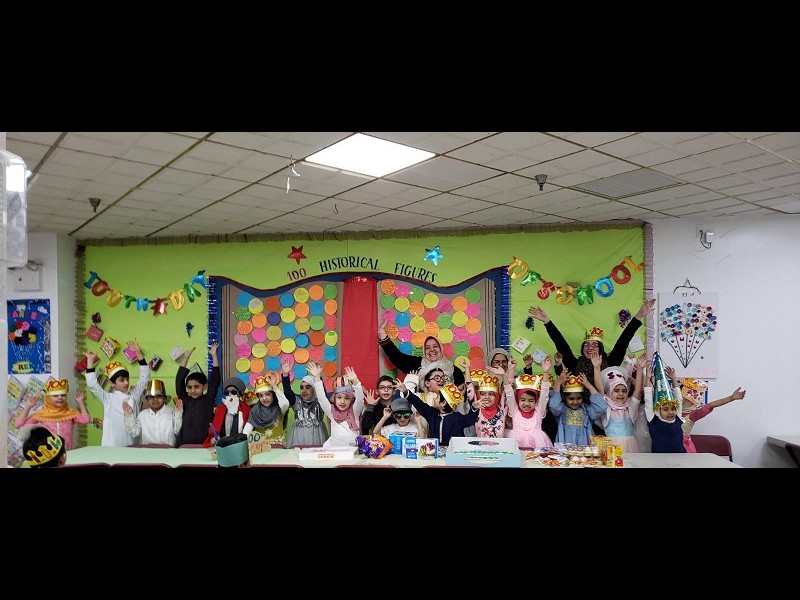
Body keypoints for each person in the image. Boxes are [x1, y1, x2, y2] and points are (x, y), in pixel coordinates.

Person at [527, 298, 657, 382]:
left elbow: (624, 340)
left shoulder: (611, 362)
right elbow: (560, 343)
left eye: (595, 345)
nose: (590, 347)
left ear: (600, 349)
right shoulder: (574, 364)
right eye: (586, 345)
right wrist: (546, 321)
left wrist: (640, 314)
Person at [84, 341, 151, 447]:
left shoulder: (133, 396)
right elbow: (92, 384)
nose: (126, 383)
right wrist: (90, 362)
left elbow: (145, 378)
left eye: (127, 379)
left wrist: (139, 354)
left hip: (132, 446)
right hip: (112, 447)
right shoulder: (108, 398)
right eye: (122, 380)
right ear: (112, 383)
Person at [401, 371, 480, 447]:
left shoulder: (458, 418)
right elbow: (419, 403)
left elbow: (469, 420)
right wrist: (406, 391)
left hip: (453, 451)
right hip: (434, 451)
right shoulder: (432, 415)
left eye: (437, 397)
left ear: (443, 403)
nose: (434, 398)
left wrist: (474, 408)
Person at [377, 319, 465, 386]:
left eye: (435, 346)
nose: (432, 350)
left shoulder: (454, 371)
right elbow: (397, 357)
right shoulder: (417, 365)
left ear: (441, 349)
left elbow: (462, 396)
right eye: (427, 348)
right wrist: (382, 334)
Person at [14, 378, 90, 450]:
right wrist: (28, 406)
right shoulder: (41, 415)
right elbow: (18, 425)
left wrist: (80, 402)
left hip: (67, 452)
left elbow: (86, 420)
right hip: (48, 453)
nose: (60, 398)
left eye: (63, 395)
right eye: (55, 396)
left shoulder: (70, 413)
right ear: (48, 398)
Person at [592, 357, 644, 453]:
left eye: (624, 391)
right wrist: (596, 367)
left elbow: (638, 390)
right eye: (616, 391)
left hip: (630, 447)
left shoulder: (630, 407)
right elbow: (600, 389)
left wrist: (640, 368)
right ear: (609, 392)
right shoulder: (605, 406)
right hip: (611, 447)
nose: (621, 394)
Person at [306, 362, 365, 448]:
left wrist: (355, 381)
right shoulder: (331, 411)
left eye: (347, 398)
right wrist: (317, 377)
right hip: (335, 449)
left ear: (351, 399)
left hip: (352, 449)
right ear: (335, 398)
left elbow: (360, 399)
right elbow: (322, 398)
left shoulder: (354, 411)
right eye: (339, 397)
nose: (342, 401)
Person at [175, 343, 221, 446]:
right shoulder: (185, 399)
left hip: (204, 445)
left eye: (196, 387)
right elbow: (179, 380)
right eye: (189, 387)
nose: (192, 390)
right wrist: (186, 357)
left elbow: (215, 381)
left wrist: (214, 355)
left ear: (204, 387)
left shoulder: (208, 400)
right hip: (184, 445)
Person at [505, 356, 554, 449]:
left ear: (536, 401)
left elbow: (544, 395)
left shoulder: (539, 410)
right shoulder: (514, 410)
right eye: (523, 400)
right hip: (515, 442)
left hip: (538, 443)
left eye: (531, 401)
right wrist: (510, 370)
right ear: (517, 400)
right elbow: (509, 394)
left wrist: (545, 373)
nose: (526, 404)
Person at [280, 359, 329, 448]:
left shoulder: (320, 401)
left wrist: (318, 376)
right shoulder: (297, 401)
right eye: (302, 388)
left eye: (308, 387)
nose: (304, 391)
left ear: (314, 388)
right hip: (298, 437)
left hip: (317, 436)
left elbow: (321, 392)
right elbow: (288, 392)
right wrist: (285, 375)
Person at [548, 371, 607, 445]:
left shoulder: (586, 410)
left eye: (579, 398)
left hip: (585, 447)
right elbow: (553, 406)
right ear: (564, 397)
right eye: (571, 399)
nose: (575, 402)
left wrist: (589, 386)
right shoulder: (561, 409)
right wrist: (558, 383)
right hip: (565, 448)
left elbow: (601, 407)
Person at [123, 379, 183, 447]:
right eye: (151, 397)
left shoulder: (172, 412)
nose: (155, 399)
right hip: (148, 452)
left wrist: (179, 413)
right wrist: (129, 416)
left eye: (159, 396)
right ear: (147, 399)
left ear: (164, 398)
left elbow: (177, 431)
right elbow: (135, 433)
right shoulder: (142, 415)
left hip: (169, 451)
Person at [243, 373, 290, 446]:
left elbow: (285, 404)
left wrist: (274, 386)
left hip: (278, 448)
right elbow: (247, 429)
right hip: (261, 448)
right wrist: (242, 443)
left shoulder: (279, 408)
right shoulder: (255, 411)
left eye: (268, 394)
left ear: (273, 394)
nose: (264, 398)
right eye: (261, 396)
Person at [521, 352, 559, 443]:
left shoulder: (553, 399)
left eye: (549, 388)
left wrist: (558, 365)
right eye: (540, 389)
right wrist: (528, 367)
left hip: (548, 423)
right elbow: (529, 389)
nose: (544, 391)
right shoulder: (532, 401)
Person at [204, 377, 251, 447]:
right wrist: (213, 439)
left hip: (241, 446)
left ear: (239, 394)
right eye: (227, 392)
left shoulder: (247, 410)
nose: (230, 395)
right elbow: (214, 432)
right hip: (224, 447)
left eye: (233, 392)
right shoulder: (220, 410)